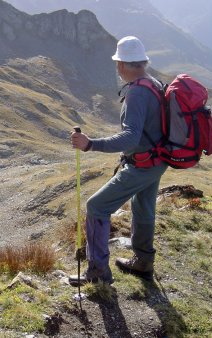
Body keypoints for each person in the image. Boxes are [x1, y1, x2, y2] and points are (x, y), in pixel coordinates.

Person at [69, 36, 168, 285]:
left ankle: (98, 272)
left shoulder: (136, 92)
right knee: (143, 207)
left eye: (117, 63)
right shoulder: (154, 83)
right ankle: (144, 262)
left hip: (142, 164)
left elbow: (130, 138)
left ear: (122, 64)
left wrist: (92, 145)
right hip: (157, 161)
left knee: (96, 207)